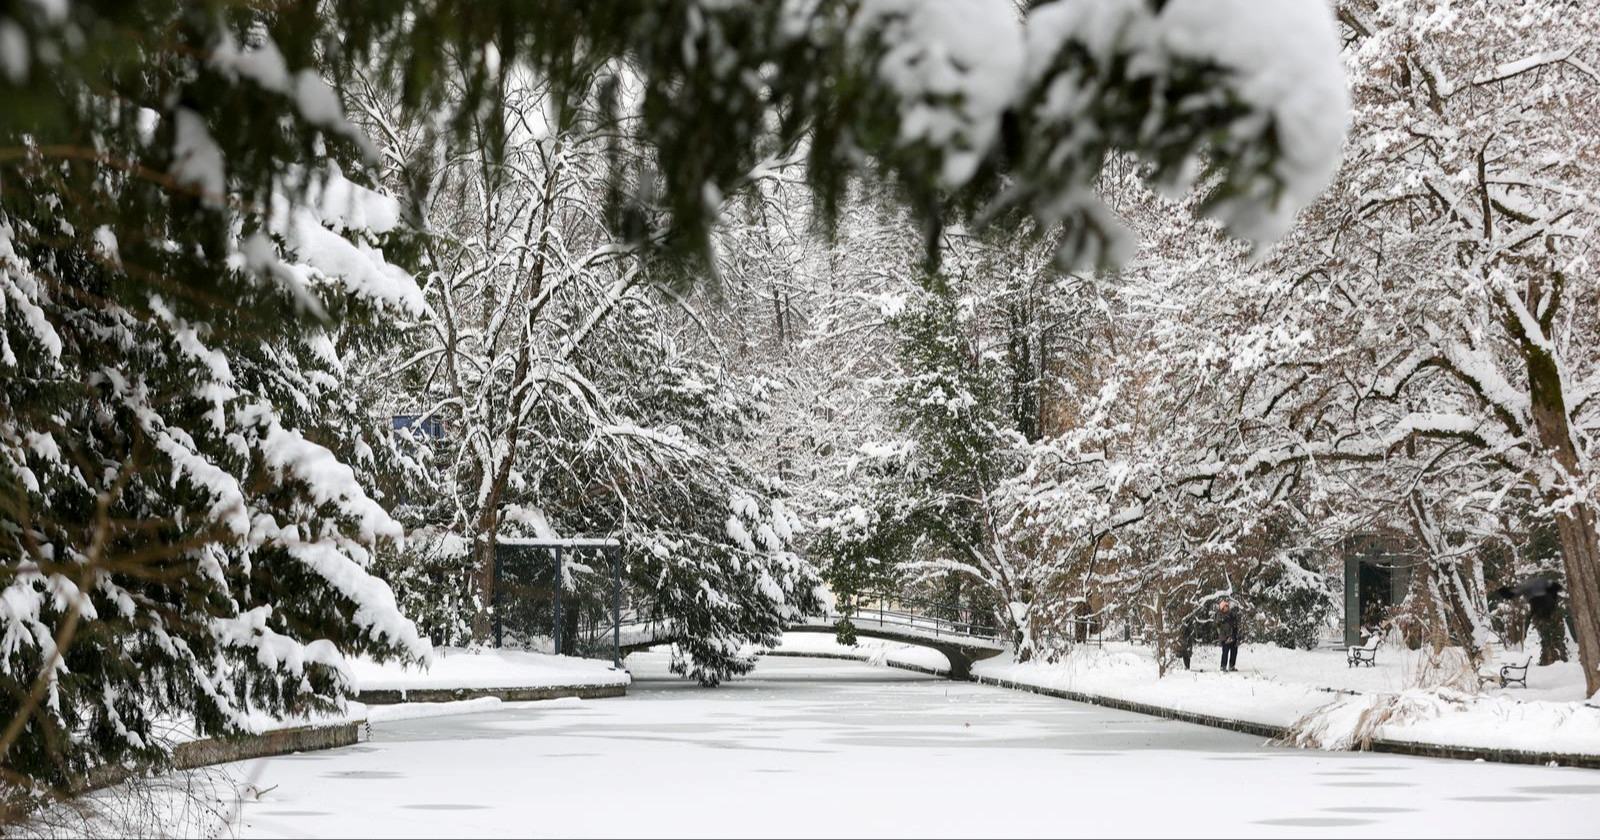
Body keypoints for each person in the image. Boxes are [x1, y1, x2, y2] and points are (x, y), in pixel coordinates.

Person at [1218, 599, 1241, 672]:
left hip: (1233, 636)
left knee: (1234, 651)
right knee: (1225, 652)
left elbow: (1235, 624)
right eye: (1225, 606)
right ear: (1222, 608)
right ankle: (1223, 666)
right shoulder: (1220, 615)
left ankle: (1232, 665)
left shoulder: (1231, 614)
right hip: (1225, 637)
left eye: (1227, 606)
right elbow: (1219, 626)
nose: (1227, 608)